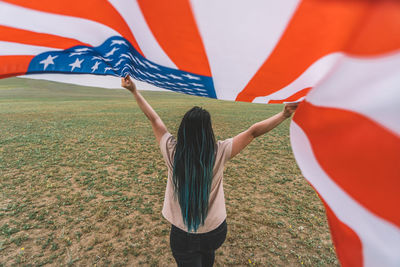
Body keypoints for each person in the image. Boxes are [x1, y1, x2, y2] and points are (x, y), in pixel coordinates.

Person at [121, 76, 298, 267]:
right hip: (215, 232)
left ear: (183, 130)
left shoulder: (172, 151)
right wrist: (283, 115)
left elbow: (154, 118)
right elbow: (252, 132)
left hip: (182, 234)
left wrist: (134, 91)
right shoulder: (219, 152)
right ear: (208, 131)